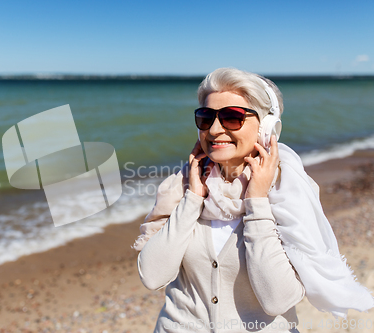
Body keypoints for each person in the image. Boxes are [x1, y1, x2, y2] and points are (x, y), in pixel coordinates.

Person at [131, 68, 374, 333]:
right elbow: (153, 276)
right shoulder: (179, 188)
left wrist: (257, 202)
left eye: (232, 118)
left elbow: (277, 299)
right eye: (205, 117)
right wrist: (192, 199)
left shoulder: (285, 195)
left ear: (266, 128)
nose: (214, 129)